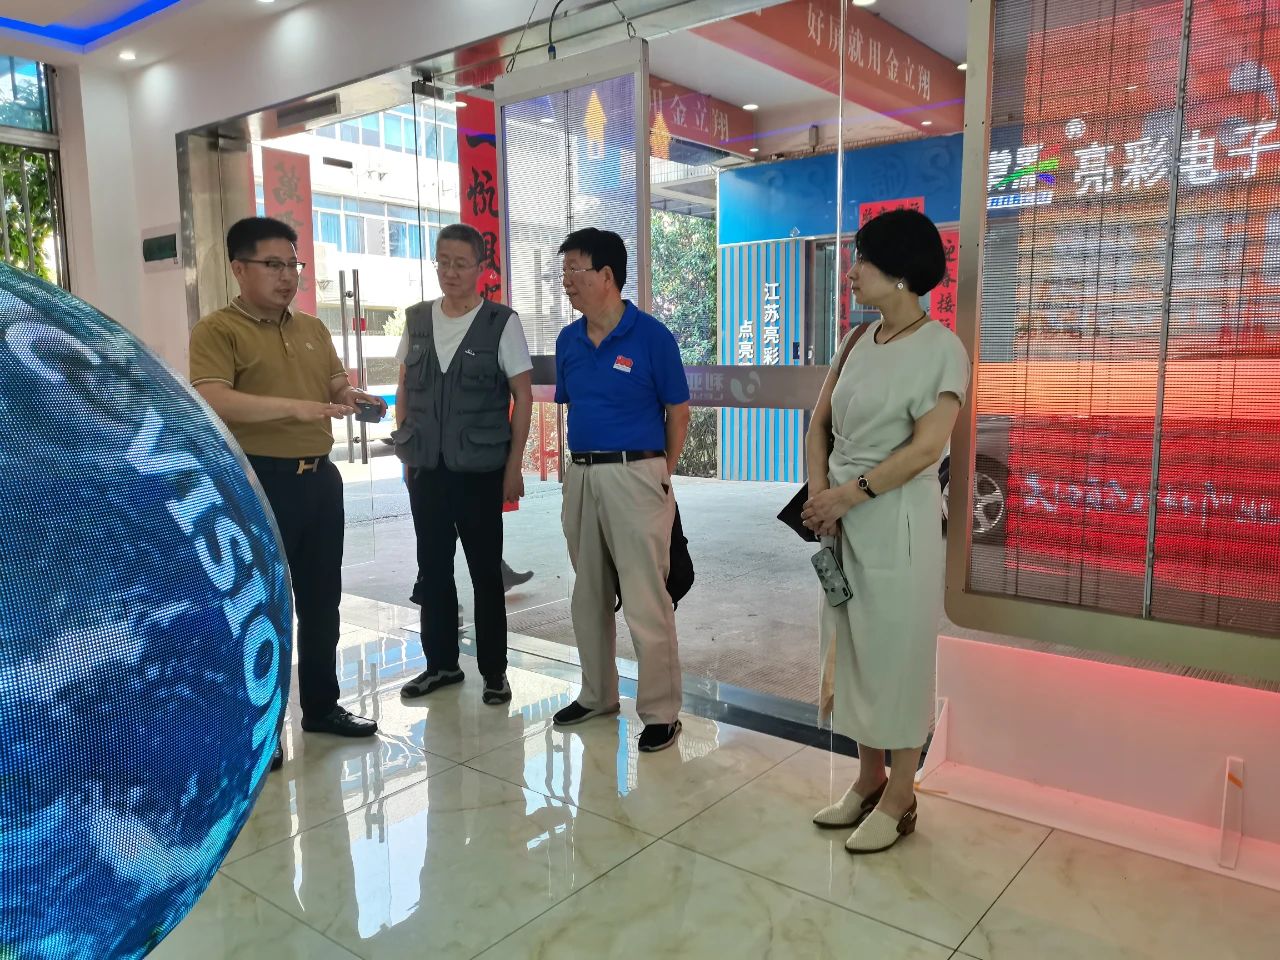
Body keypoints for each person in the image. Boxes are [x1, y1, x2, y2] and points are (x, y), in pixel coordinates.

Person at [802, 209, 970, 853]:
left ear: (900, 272)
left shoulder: (942, 350)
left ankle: (902, 794)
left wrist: (848, 495)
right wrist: (819, 496)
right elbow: (819, 424)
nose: (852, 272)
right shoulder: (855, 341)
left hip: (896, 519)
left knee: (896, 655)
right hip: (840, 520)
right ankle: (867, 778)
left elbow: (927, 449)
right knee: (851, 648)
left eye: (863, 260)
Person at [189, 217, 383, 770]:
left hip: (319, 480)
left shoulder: (312, 329)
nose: (287, 276)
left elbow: (333, 383)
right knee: (260, 610)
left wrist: (353, 395)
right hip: (258, 483)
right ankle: (261, 729)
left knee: (322, 600)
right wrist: (295, 408)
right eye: (272, 265)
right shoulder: (218, 331)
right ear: (239, 268)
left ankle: (321, 707)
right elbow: (214, 400)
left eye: (293, 265)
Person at [551, 228, 691, 753]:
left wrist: (660, 473)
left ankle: (661, 711)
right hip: (582, 476)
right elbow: (572, 406)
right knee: (587, 594)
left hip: (636, 475)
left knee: (645, 597)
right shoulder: (568, 341)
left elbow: (678, 412)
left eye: (575, 271)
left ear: (607, 275)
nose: (567, 281)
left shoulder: (652, 337)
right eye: (564, 272)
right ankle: (597, 695)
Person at [392, 223, 533, 706]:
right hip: (426, 469)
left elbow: (522, 396)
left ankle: (494, 671)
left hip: (480, 471)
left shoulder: (500, 322)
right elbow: (404, 387)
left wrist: (513, 467)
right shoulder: (417, 319)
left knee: (484, 573)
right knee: (433, 570)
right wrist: (405, 447)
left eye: (461, 263)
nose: (450, 272)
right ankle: (441, 665)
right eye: (443, 262)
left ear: (481, 268)